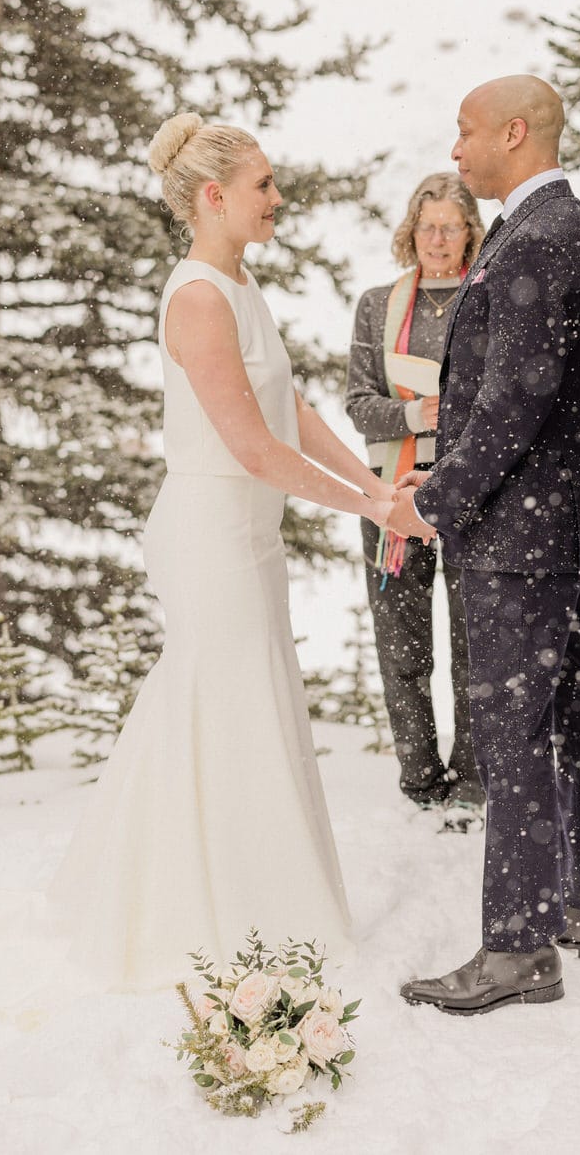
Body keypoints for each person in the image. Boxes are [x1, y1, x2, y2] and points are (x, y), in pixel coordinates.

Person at [49, 113, 395, 989]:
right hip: (211, 536)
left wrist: (380, 491)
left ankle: (247, 902)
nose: (278, 199)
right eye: (263, 186)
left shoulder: (239, 285)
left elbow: (296, 413)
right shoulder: (198, 295)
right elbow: (253, 449)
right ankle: (202, 916)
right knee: (220, 713)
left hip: (251, 534)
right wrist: (371, 509)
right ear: (213, 197)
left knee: (244, 711)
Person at [388, 75, 580, 1014]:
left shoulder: (542, 237)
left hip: (519, 536)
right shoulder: (549, 231)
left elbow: (514, 403)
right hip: (549, 522)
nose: (456, 151)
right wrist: (438, 478)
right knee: (573, 708)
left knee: (512, 731)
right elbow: (511, 398)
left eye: (466, 132)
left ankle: (520, 947)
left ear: (515, 133)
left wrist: (437, 500)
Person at [345, 173, 485, 812]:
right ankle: (421, 781)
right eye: (426, 226)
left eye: (449, 227)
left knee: (473, 645)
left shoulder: (486, 298)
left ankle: (473, 781)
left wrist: (454, 417)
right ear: (412, 230)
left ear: (469, 233)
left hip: (471, 492)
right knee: (403, 648)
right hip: (392, 495)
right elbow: (357, 402)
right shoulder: (378, 304)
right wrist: (414, 416)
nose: (436, 238)